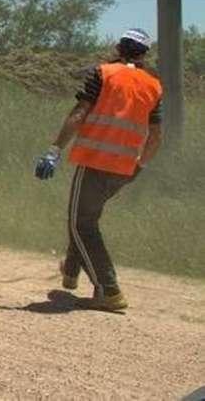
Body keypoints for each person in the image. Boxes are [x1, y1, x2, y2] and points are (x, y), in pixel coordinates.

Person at [34, 28, 164, 312]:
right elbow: (155, 136)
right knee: (86, 216)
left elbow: (80, 112)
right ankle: (71, 271)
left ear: (118, 48)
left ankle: (108, 290)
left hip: (95, 163)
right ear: (144, 54)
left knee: (81, 223)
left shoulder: (104, 73)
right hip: (125, 167)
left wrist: (54, 150)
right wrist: (140, 165)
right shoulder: (153, 85)